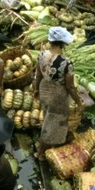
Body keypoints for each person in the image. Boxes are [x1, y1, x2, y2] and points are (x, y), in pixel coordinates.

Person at [33, 27, 82, 158]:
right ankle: (41, 153)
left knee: (48, 117)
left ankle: (52, 142)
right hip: (57, 96)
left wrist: (36, 90)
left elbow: (38, 76)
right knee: (52, 123)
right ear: (63, 44)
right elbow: (70, 87)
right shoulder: (66, 63)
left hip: (44, 90)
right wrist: (79, 102)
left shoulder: (41, 55)